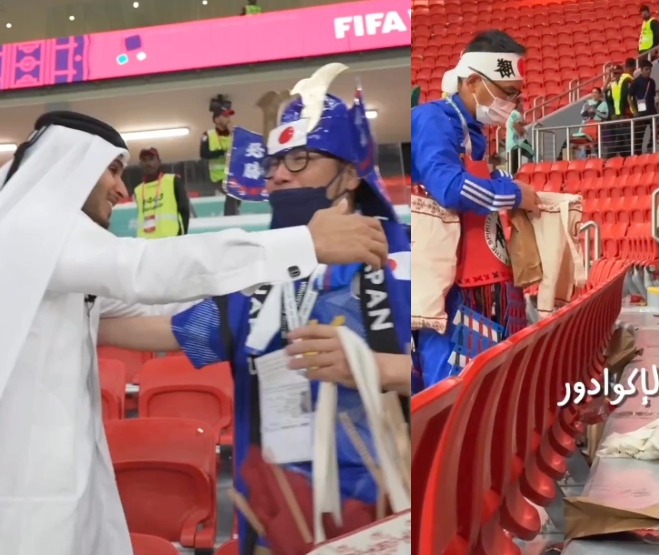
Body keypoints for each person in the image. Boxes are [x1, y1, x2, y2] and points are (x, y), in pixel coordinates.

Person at [0, 111, 391, 555]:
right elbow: (144, 269)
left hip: (50, 479)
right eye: (113, 170)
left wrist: (285, 266)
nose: (123, 190)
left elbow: (155, 294)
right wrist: (301, 243)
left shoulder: (47, 251)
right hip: (17, 491)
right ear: (69, 170)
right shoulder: (35, 226)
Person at [101, 63, 413, 554]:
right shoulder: (266, 265)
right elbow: (180, 331)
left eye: (300, 160)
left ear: (350, 174)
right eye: (273, 164)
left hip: (380, 510)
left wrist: (375, 366)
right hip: (272, 509)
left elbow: (463, 373)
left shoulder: (407, 260)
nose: (280, 177)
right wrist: (85, 326)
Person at [411, 29, 539, 388]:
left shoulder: (475, 132)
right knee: (447, 374)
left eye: (516, 95)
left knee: (471, 368)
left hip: (466, 271)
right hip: (441, 272)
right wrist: (513, 194)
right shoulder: (432, 119)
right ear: (472, 82)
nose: (512, 104)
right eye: (506, 94)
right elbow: (450, 189)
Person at [134, 147, 191, 238]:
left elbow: (184, 212)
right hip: (146, 243)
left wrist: (181, 239)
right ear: (140, 164)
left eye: (152, 159)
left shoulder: (173, 181)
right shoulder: (138, 190)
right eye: (144, 160)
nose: (148, 163)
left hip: (169, 241)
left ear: (159, 162)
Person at [201, 104, 240, 216]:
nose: (228, 119)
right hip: (218, 177)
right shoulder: (208, 135)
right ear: (216, 119)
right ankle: (230, 218)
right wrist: (221, 152)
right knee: (231, 193)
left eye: (229, 116)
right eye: (225, 116)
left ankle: (235, 215)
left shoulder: (234, 134)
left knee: (237, 194)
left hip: (233, 175)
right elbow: (203, 154)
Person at [604, 61, 637, 158]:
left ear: (622, 73)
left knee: (626, 138)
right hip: (615, 116)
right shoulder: (612, 84)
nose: (617, 75)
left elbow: (630, 97)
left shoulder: (627, 81)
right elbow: (604, 92)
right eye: (615, 73)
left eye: (619, 73)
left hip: (625, 115)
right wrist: (608, 76)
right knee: (617, 139)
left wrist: (632, 111)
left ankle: (628, 156)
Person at [630, 59, 658, 155]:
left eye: (650, 69)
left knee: (656, 130)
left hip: (651, 110)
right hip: (640, 111)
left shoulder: (652, 82)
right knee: (639, 134)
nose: (648, 71)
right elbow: (629, 96)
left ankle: (650, 147)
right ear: (641, 70)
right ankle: (637, 154)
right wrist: (634, 110)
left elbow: (653, 95)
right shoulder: (636, 82)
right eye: (646, 69)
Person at [506, 109, 535, 173]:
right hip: (518, 142)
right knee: (533, 153)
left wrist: (532, 123)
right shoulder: (516, 113)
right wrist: (522, 132)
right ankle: (530, 171)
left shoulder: (511, 115)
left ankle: (514, 177)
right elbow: (514, 124)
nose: (522, 106)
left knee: (513, 168)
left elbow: (518, 123)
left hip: (510, 145)